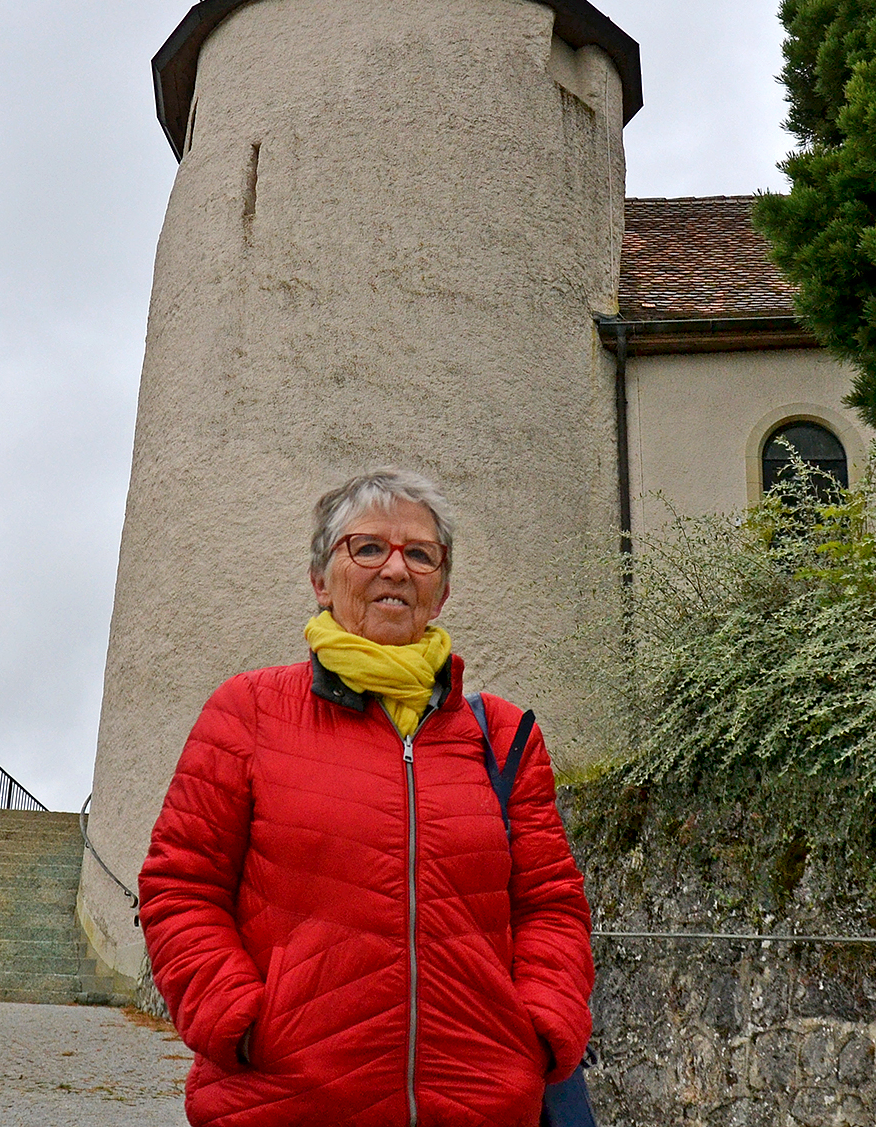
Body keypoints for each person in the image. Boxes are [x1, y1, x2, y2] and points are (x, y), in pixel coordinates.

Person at [138, 467, 594, 1127]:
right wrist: (238, 1021)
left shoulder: (501, 735)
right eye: (368, 547)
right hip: (284, 1104)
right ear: (321, 580)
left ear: (440, 590)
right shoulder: (250, 711)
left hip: (479, 1103)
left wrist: (541, 1027)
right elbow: (180, 886)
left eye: (420, 553)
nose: (396, 569)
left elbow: (551, 904)